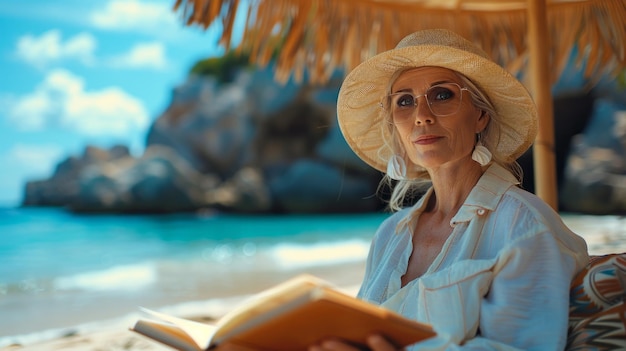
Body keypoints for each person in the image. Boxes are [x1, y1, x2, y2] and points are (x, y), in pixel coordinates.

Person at [309, 29, 590, 350]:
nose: (422, 116)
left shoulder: (524, 226)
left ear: (481, 116)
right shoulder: (390, 234)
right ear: (395, 126)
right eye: (404, 101)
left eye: (442, 95)